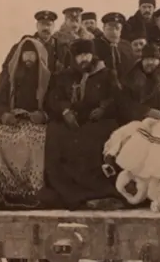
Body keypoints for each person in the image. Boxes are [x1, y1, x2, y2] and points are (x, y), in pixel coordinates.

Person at [40, 39, 122, 208]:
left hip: (98, 121)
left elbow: (117, 97)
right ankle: (69, 193)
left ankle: (101, 193)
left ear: (93, 55)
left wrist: (103, 108)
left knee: (94, 142)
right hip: (73, 120)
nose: (83, 59)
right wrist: (65, 111)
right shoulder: (64, 76)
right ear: (74, 58)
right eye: (79, 56)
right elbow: (54, 98)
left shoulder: (107, 74)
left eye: (86, 54)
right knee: (56, 137)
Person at [0, 38, 52, 208]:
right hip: (13, 121)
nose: (28, 58)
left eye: (32, 54)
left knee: (34, 141)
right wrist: (5, 116)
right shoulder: (11, 77)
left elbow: (54, 103)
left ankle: (32, 191)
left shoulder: (47, 78)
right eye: (25, 54)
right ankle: (4, 190)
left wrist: (42, 115)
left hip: (36, 124)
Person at [94, 12, 134, 77]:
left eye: (117, 28)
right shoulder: (94, 45)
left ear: (121, 30)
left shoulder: (127, 46)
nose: (114, 32)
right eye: (110, 29)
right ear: (103, 28)